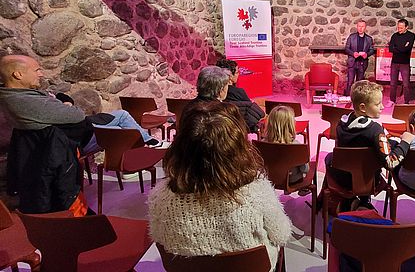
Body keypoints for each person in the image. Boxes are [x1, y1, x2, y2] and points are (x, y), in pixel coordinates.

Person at [148, 102, 292, 270]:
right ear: (237, 149)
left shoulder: (160, 198)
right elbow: (281, 235)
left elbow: (160, 239)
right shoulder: (257, 192)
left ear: (180, 147)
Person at [0, 54, 167, 152]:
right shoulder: (23, 101)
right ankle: (134, 163)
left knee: (123, 116)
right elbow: (76, 115)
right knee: (127, 131)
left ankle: (149, 143)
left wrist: (62, 103)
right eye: (36, 70)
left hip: (77, 131)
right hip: (76, 139)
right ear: (18, 75)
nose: (42, 74)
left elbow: (58, 96)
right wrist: (65, 105)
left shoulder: (22, 94)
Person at [324, 80, 414, 211]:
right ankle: (364, 201)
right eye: (378, 104)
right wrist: (405, 143)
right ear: (362, 107)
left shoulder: (341, 122)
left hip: (343, 177)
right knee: (391, 149)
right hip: (368, 181)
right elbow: (390, 163)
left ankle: (350, 200)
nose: (382, 107)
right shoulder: (375, 130)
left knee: (330, 157)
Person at [216, 58, 266, 132]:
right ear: (230, 76)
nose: (238, 74)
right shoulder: (238, 92)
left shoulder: (214, 93)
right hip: (240, 126)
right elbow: (251, 109)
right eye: (236, 72)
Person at [263, 105, 309, 184]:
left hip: (269, 179)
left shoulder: (261, 143)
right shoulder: (296, 146)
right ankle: (304, 189)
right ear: (290, 124)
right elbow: (305, 169)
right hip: (292, 180)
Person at [388, 18, 415, 104]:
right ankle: (392, 100)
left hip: (405, 63)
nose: (399, 29)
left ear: (406, 27)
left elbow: (407, 49)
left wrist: (397, 48)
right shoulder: (394, 36)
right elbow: (390, 49)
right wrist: (401, 48)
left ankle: (406, 102)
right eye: (398, 27)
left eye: (401, 28)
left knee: (406, 84)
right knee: (393, 84)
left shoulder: (411, 36)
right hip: (395, 63)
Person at [344, 20, 375, 96]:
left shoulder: (369, 39)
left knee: (360, 83)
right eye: (359, 26)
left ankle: (357, 98)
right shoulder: (351, 37)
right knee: (350, 82)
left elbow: (371, 50)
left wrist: (366, 54)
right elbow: (346, 48)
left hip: (362, 63)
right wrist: (353, 53)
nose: (360, 28)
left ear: (365, 28)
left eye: (362, 26)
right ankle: (348, 98)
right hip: (352, 62)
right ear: (357, 27)